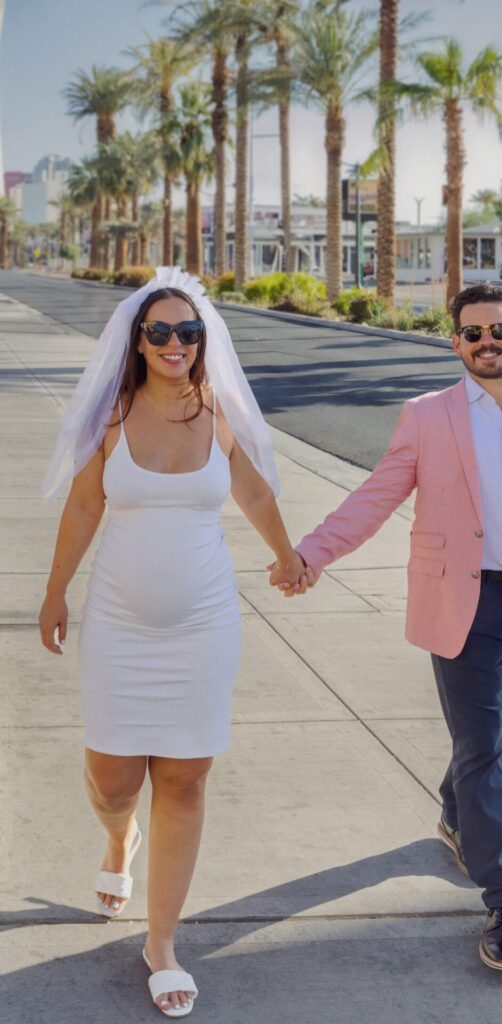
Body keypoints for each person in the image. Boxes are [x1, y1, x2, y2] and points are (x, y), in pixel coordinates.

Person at [272, 283, 502, 973]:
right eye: (471, 333)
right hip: (463, 607)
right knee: (483, 750)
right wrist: (312, 553)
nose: (485, 342)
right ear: (455, 344)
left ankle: (453, 810)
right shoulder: (428, 416)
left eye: (497, 329)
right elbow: (376, 495)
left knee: (489, 742)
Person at [39, 267, 309, 1017]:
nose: (174, 343)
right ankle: (117, 837)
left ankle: (161, 942)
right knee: (113, 777)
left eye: (187, 332)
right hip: (119, 628)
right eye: (159, 331)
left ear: (201, 341)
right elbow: (85, 507)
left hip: (204, 627)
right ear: (137, 339)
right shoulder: (112, 416)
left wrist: (286, 555)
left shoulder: (217, 410)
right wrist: (55, 590)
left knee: (186, 780)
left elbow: (253, 491)